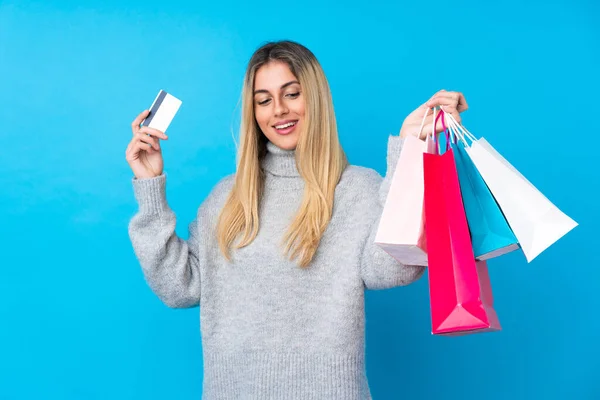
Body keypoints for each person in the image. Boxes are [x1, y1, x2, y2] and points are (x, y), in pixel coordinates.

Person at [125, 40, 468, 399]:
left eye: (291, 94)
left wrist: (408, 154)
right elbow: (179, 288)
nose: (279, 111)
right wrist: (150, 190)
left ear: (314, 98)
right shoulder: (226, 199)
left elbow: (393, 270)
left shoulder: (356, 189)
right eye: (264, 100)